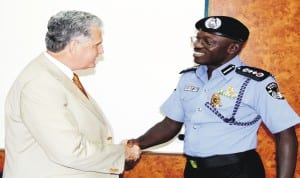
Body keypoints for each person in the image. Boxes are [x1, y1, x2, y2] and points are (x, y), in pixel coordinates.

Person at [127, 16, 299, 178]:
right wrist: (137, 144)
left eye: (208, 42)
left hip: (237, 171)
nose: (198, 45)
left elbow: (285, 133)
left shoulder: (255, 82)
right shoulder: (188, 78)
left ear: (232, 48)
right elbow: (170, 124)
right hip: (194, 170)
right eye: (197, 38)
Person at [3, 10, 140, 178]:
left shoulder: (57, 77)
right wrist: (121, 154)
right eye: (96, 45)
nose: (101, 51)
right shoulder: (41, 83)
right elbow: (69, 151)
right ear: (74, 46)